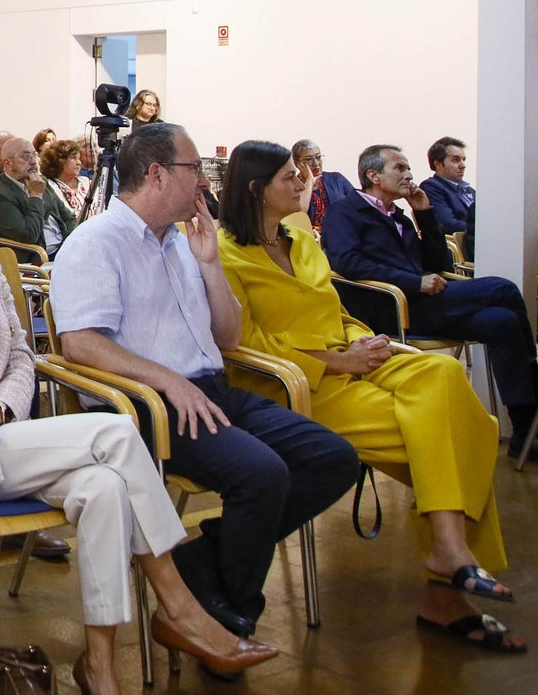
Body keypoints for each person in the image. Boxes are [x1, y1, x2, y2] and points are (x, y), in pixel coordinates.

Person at [0, 153, 279, 691]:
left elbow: (20, 358)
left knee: (105, 487)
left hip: (3, 434)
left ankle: (98, 665)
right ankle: (183, 610)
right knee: (117, 431)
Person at [50, 123, 359, 638]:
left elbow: (229, 335)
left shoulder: (182, 241)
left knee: (334, 459)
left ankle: (200, 565)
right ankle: (227, 614)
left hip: (210, 390)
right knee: (261, 475)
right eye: (194, 170)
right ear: (155, 175)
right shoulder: (96, 242)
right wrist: (169, 382)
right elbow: (81, 344)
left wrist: (211, 265)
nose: (204, 182)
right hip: (143, 406)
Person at [217, 141, 522, 653]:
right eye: (291, 177)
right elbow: (243, 344)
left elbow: (331, 304)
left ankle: (448, 552)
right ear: (256, 190)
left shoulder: (298, 236)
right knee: (464, 431)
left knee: (444, 376)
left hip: (350, 356)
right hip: (292, 382)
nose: (304, 182)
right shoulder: (224, 253)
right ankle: (448, 590)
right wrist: (336, 361)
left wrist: (361, 338)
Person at [321, 145, 538, 456]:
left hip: (426, 302)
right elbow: (346, 262)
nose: (409, 174)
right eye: (399, 168)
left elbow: (439, 264)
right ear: (373, 175)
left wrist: (423, 212)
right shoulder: (344, 211)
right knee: (502, 289)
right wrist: (414, 282)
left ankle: (524, 432)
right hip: (393, 307)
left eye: (408, 167)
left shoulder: (400, 216)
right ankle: (534, 373)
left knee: (501, 322)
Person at [0, 136, 76, 260]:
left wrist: (70, 245)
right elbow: (29, 235)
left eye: (34, 155)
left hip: (64, 250)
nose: (33, 161)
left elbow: (68, 218)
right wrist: (36, 197)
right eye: (26, 156)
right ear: (8, 164)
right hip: (38, 260)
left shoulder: (41, 180)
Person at [290, 139, 355, 232]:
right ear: (297, 164)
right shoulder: (292, 187)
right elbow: (298, 215)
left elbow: (356, 204)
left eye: (318, 157)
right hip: (310, 237)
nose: (316, 163)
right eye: (309, 159)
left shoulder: (336, 179)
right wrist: (309, 181)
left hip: (342, 233)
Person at [421, 136, 475, 234]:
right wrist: (483, 229)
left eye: (463, 159)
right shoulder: (431, 187)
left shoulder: (471, 191)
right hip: (464, 245)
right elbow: (447, 224)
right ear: (438, 164)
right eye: (456, 160)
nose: (463, 165)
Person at [43, 138, 89, 222]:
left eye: (79, 158)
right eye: (73, 158)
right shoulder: (51, 187)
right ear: (60, 161)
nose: (79, 162)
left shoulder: (86, 182)